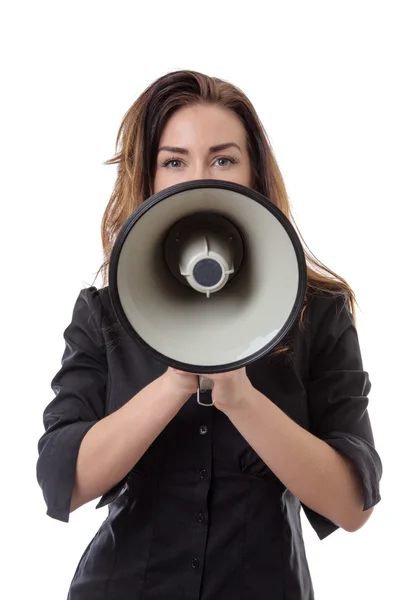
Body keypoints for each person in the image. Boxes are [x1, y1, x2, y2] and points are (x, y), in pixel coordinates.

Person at [36, 69, 382, 600]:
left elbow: (352, 505)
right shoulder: (104, 313)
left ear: (254, 174)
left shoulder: (319, 313)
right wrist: (174, 380)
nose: (200, 176)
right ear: (148, 178)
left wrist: (239, 396)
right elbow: (66, 481)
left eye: (223, 159)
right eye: (174, 161)